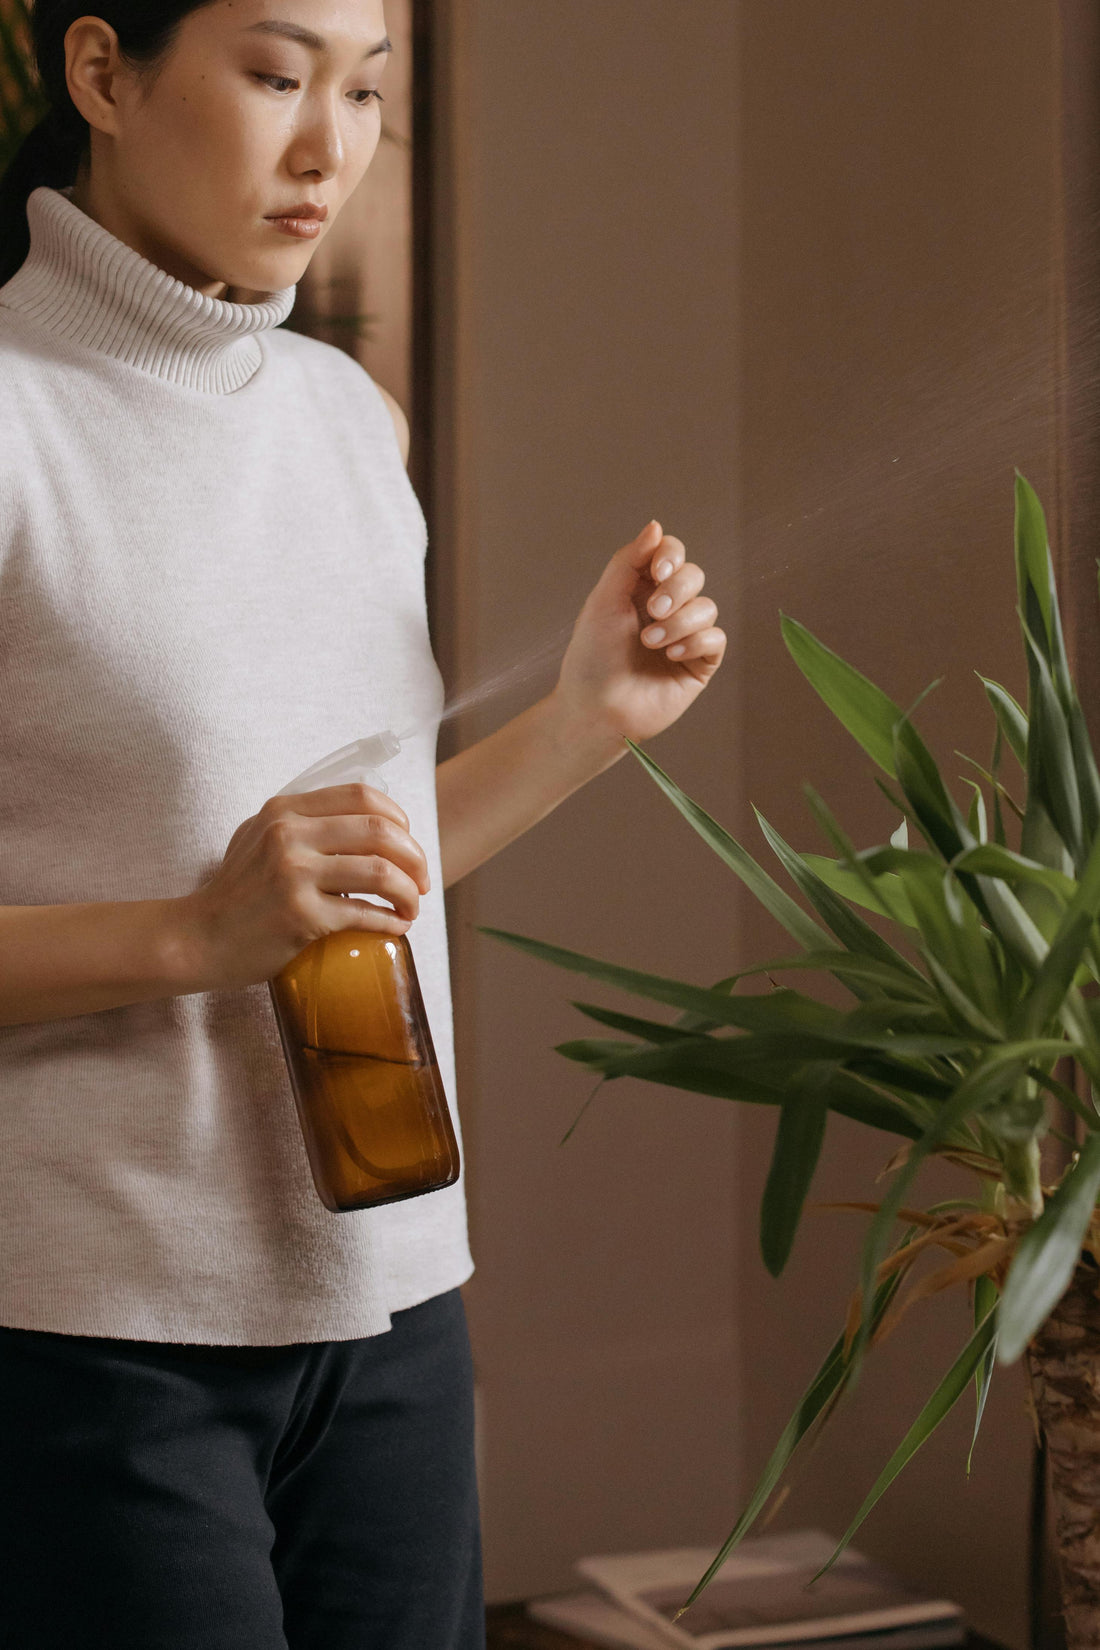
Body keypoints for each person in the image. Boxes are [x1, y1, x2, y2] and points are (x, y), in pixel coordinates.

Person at [0, 2, 727, 1646]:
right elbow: (240, 909)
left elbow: (363, 855)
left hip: (391, 1296)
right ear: (103, 73)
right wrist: (194, 935)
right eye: (273, 76)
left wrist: (587, 724)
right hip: (95, 1333)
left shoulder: (347, 421)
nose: (330, 144)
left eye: (369, 88)